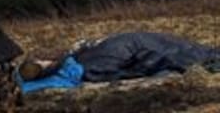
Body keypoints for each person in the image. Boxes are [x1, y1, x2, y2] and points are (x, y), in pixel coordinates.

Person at [19, 32, 220, 93]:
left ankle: (211, 57)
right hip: (116, 48)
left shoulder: (73, 69)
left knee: (164, 51)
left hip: (114, 51)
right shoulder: (71, 66)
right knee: (165, 49)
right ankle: (211, 57)